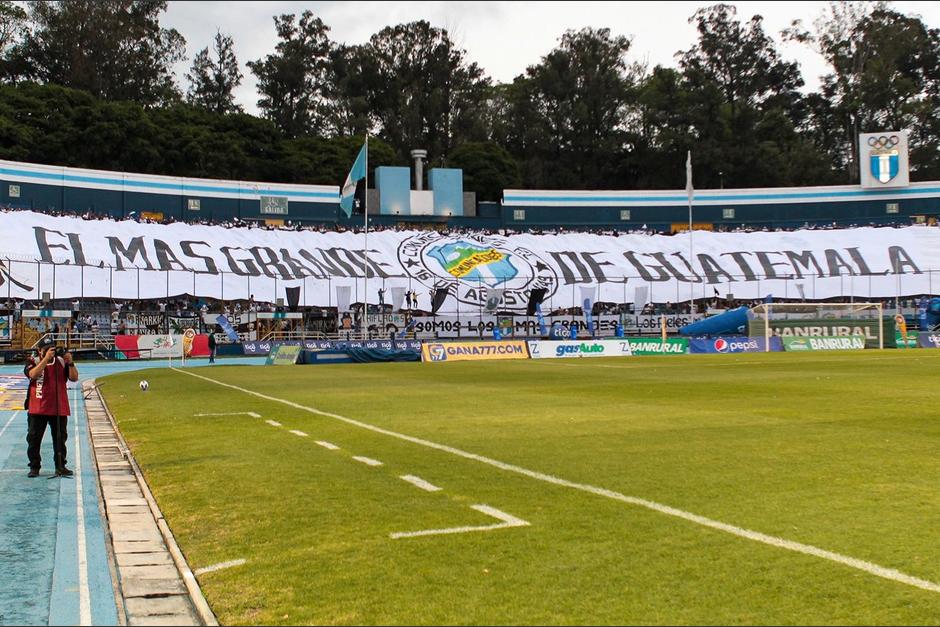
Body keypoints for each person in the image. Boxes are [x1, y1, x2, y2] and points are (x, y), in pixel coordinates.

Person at [25, 336, 78, 478]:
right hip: (38, 407)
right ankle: (34, 466)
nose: (50, 352)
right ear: (39, 350)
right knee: (33, 439)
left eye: (52, 349)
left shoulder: (61, 361)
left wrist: (71, 362)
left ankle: (60, 465)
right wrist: (45, 359)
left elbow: (74, 378)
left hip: (58, 407)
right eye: (46, 349)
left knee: (60, 439)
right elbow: (33, 374)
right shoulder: (33, 360)